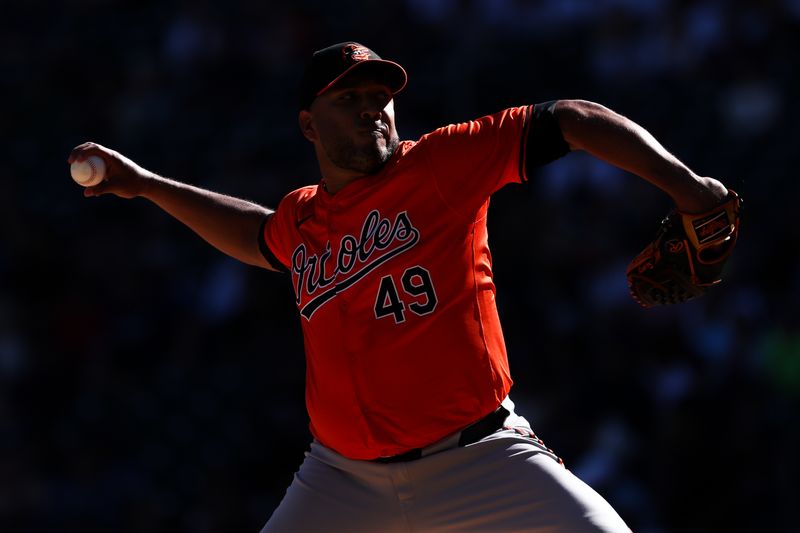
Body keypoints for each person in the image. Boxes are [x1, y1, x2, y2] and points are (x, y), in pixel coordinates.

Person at [70, 42, 731, 532]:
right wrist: (148, 184)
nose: (372, 110)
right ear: (309, 125)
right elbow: (257, 235)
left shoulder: (443, 163)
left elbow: (576, 118)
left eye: (380, 96)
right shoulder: (303, 220)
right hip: (340, 478)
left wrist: (693, 191)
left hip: (480, 459)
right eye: (349, 99)